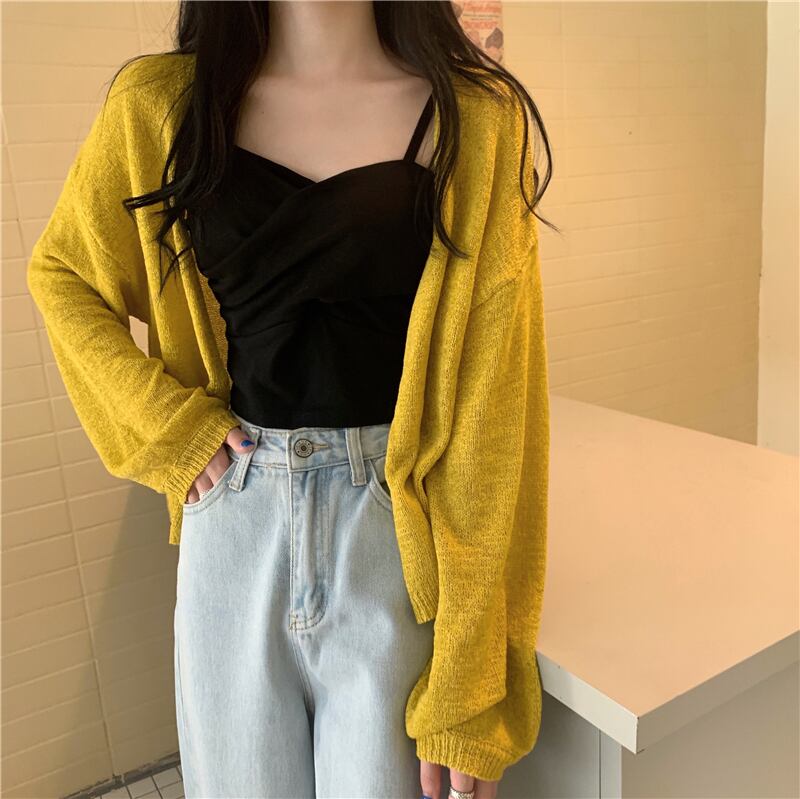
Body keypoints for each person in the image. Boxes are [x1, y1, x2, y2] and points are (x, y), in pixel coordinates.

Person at [26, 2, 556, 797]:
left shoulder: (477, 121)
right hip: (233, 529)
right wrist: (168, 427)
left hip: (394, 536)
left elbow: (496, 420)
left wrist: (473, 693)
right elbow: (64, 275)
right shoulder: (160, 106)